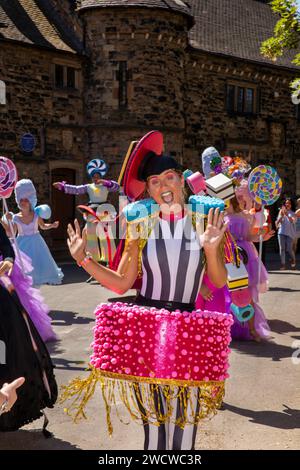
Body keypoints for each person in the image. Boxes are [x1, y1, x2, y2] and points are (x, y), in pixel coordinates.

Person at [63, 137, 232, 451]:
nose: (163, 186)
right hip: (147, 329)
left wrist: (211, 249)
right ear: (149, 189)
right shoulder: (140, 223)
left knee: (186, 426)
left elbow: (218, 281)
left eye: (169, 177)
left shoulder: (204, 219)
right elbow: (122, 283)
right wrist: (82, 259)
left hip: (188, 329)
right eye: (155, 181)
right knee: (154, 431)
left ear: (182, 180)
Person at [0, 223, 58, 432]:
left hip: (2, 301)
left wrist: (7, 262)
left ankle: (9, 407)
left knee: (7, 348)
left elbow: (7, 250)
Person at [53, 158, 119, 268]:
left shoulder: (106, 186)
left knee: (106, 237)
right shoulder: (88, 187)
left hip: (104, 211)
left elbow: (116, 186)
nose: (96, 178)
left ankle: (110, 262)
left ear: (101, 176)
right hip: (92, 212)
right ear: (91, 177)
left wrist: (106, 182)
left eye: (97, 176)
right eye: (94, 176)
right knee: (91, 237)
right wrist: (63, 187)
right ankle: (94, 263)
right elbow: (76, 189)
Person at [225, 196, 273, 341]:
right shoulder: (220, 214)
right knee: (230, 295)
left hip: (244, 257)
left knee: (246, 294)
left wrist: (262, 238)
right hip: (228, 256)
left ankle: (252, 329)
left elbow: (247, 236)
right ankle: (229, 328)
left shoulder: (245, 215)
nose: (242, 200)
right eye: (239, 198)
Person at [6, 179, 63, 286]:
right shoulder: (15, 218)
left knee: (37, 267)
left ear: (30, 201)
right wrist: (8, 221)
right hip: (22, 245)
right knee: (24, 269)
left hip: (37, 244)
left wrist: (51, 225)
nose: (23, 202)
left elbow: (42, 226)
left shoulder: (36, 215)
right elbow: (12, 233)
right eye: (21, 200)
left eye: (26, 200)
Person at [275, 198, 297, 270]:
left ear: (291, 205)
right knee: (282, 249)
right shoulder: (281, 212)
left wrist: (287, 215)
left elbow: (292, 221)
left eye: (289, 203)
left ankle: (293, 260)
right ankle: (283, 264)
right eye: (286, 203)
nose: (287, 204)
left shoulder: (293, 213)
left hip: (290, 233)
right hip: (281, 232)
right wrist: (281, 216)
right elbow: (277, 223)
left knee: (289, 249)